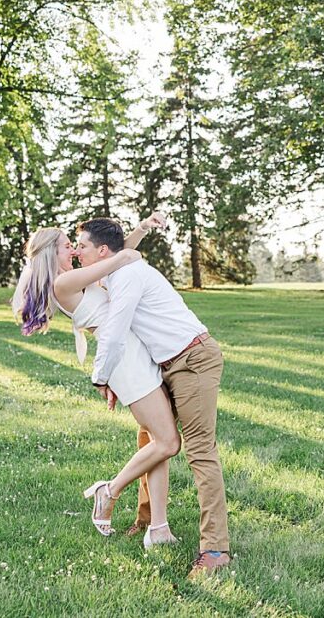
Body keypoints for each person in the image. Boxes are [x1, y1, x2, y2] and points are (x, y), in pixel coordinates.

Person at [12, 216, 180, 548]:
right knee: (168, 442)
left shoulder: (73, 277)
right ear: (50, 253)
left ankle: (158, 527)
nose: (73, 249)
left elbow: (112, 256)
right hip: (126, 362)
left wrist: (141, 230)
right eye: (66, 245)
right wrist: (129, 253)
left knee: (155, 443)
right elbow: (117, 258)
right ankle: (109, 490)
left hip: (132, 353)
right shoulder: (64, 284)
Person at [78, 217, 231, 578]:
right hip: (167, 362)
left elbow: (114, 334)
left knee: (200, 452)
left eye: (81, 246)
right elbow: (124, 246)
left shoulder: (128, 275)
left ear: (102, 251)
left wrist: (101, 377)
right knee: (152, 436)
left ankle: (215, 549)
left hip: (193, 360)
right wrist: (142, 228)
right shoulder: (117, 266)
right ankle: (151, 523)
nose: (76, 252)